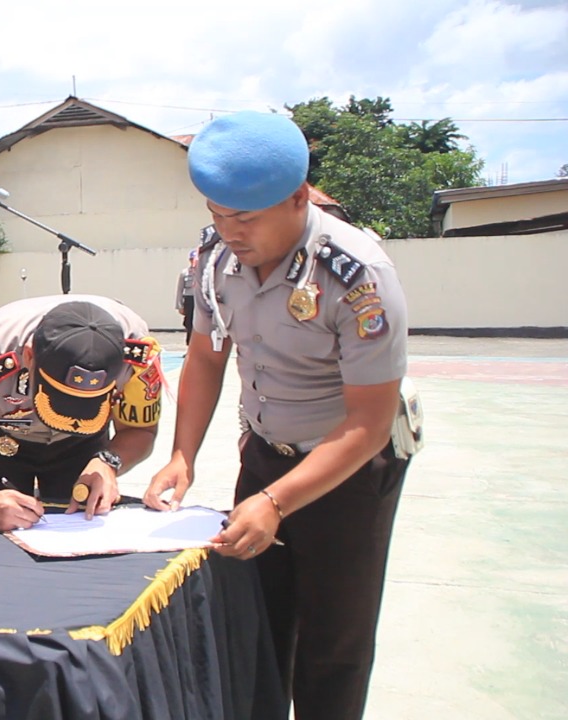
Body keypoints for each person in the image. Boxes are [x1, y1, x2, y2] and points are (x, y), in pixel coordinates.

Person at [144, 111, 416, 720]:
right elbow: (207, 358)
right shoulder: (213, 260)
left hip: (349, 472)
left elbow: (367, 425)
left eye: (245, 217)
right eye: (217, 213)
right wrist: (182, 455)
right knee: (258, 624)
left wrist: (275, 503)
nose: (229, 230)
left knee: (333, 645)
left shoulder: (356, 276)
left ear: (297, 198)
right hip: (265, 454)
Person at [0, 295, 165, 531]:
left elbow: (139, 431)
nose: (71, 417)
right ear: (29, 356)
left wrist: (109, 462)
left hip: (84, 444)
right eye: (60, 399)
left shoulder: (138, 353)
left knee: (80, 533)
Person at [175, 245, 200, 345]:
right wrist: (179, 306)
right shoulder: (184, 273)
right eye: (191, 259)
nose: (193, 261)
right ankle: (190, 346)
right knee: (189, 324)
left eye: (195, 259)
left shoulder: (204, 272)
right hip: (189, 300)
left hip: (200, 300)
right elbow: (180, 290)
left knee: (201, 325)